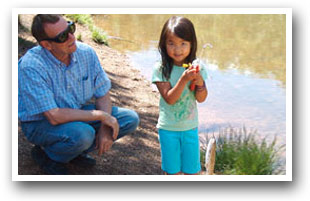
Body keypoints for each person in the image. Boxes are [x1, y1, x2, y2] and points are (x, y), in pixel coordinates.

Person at [18, 14, 140, 175]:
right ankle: (49, 157)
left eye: (71, 28)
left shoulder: (86, 53)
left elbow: (103, 93)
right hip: (40, 124)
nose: (71, 37)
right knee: (83, 134)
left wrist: (105, 127)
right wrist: (102, 116)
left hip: (75, 115)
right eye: (63, 36)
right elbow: (54, 116)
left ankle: (72, 152)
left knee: (130, 119)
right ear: (46, 44)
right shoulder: (31, 66)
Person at [152, 16, 208, 175]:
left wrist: (200, 83)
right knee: (173, 173)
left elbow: (201, 98)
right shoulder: (160, 69)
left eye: (183, 43)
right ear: (164, 44)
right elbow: (169, 99)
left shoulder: (196, 67)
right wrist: (184, 79)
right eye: (172, 43)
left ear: (192, 44)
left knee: (192, 172)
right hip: (168, 129)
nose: (177, 49)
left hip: (190, 128)